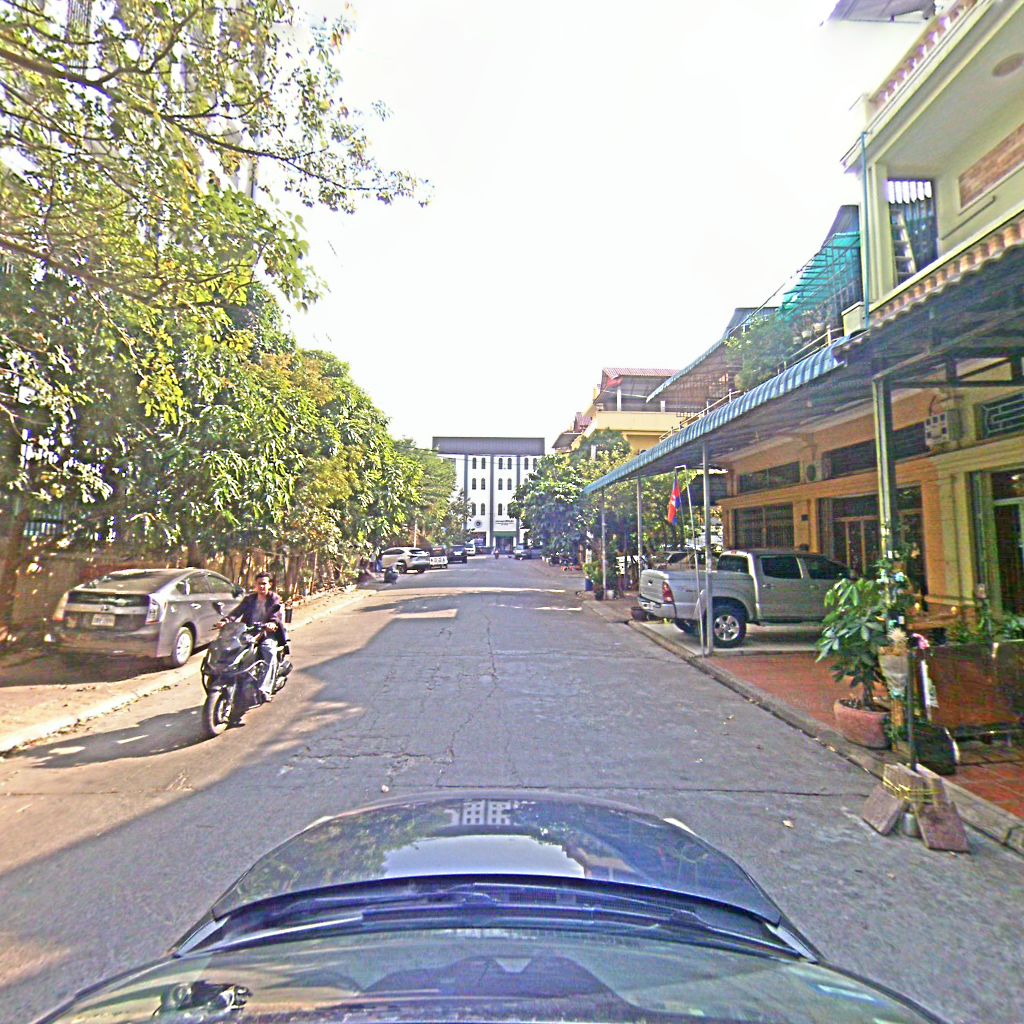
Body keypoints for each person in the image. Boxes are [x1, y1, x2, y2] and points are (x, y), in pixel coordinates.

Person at [223, 571, 286, 703]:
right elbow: (237, 612)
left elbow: (276, 614)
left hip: (267, 633)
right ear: (255, 585)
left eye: (264, 584)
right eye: (259, 584)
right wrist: (226, 620)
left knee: (269, 651)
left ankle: (265, 689)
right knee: (233, 650)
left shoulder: (274, 599)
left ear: (269, 585)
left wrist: (272, 623)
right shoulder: (249, 599)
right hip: (249, 632)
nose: (261, 586)